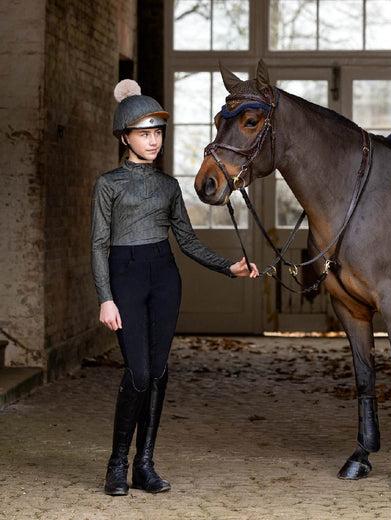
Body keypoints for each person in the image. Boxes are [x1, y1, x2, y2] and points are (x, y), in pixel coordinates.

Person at [91, 79, 258, 497]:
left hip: (164, 277)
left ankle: (144, 465)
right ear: (124, 137)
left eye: (158, 132)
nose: (153, 140)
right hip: (124, 275)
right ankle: (116, 465)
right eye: (144, 133)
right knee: (140, 372)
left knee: (160, 373)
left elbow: (186, 241)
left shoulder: (168, 186)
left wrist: (229, 268)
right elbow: (97, 243)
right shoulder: (108, 184)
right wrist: (105, 297)